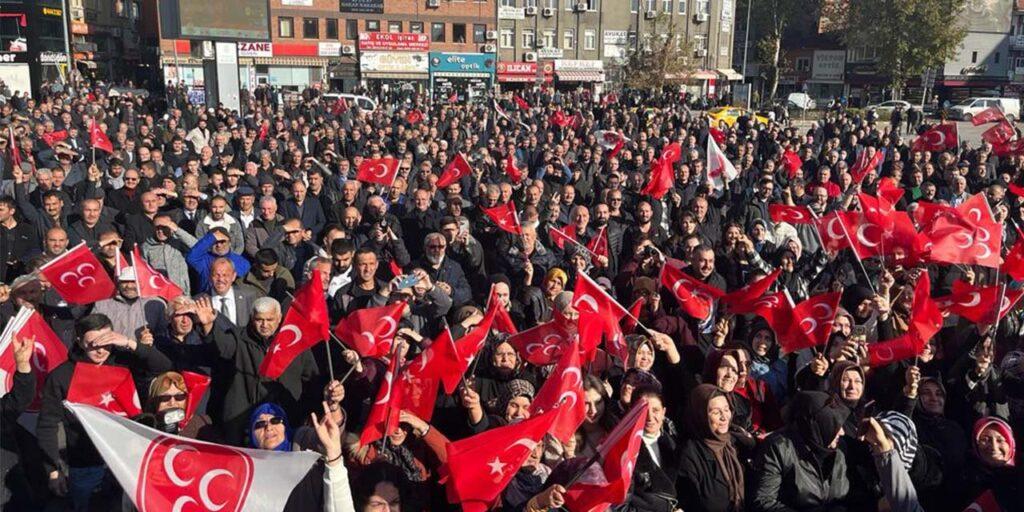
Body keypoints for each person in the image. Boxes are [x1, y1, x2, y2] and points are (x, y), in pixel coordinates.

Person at [37, 314, 172, 510]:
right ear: (80, 343)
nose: (100, 350)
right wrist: (53, 470)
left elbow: (163, 366)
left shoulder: (123, 360)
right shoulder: (61, 376)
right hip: (85, 463)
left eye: (106, 343)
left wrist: (129, 342)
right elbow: (47, 424)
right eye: (92, 344)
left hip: (128, 458)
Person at [678, 384, 746, 512]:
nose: (724, 417)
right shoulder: (690, 454)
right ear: (701, 416)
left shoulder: (734, 443)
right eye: (716, 412)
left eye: (726, 409)